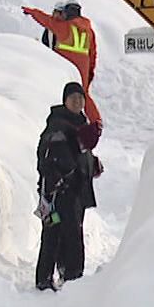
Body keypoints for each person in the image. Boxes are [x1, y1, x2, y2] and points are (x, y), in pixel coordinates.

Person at [35, 82, 102, 291]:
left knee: (72, 232)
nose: (77, 101)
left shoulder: (82, 124)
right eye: (73, 98)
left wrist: (93, 164)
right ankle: (54, 279)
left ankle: (69, 274)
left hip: (76, 190)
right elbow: (45, 157)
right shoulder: (56, 125)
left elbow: (81, 153)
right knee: (55, 233)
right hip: (58, 191)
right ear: (65, 101)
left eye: (80, 98)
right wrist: (57, 178)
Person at [22, 0, 103, 125]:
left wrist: (32, 12)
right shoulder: (88, 30)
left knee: (61, 93)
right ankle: (96, 122)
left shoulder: (65, 27)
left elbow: (46, 20)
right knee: (84, 94)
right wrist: (90, 72)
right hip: (83, 64)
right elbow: (93, 52)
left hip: (66, 62)